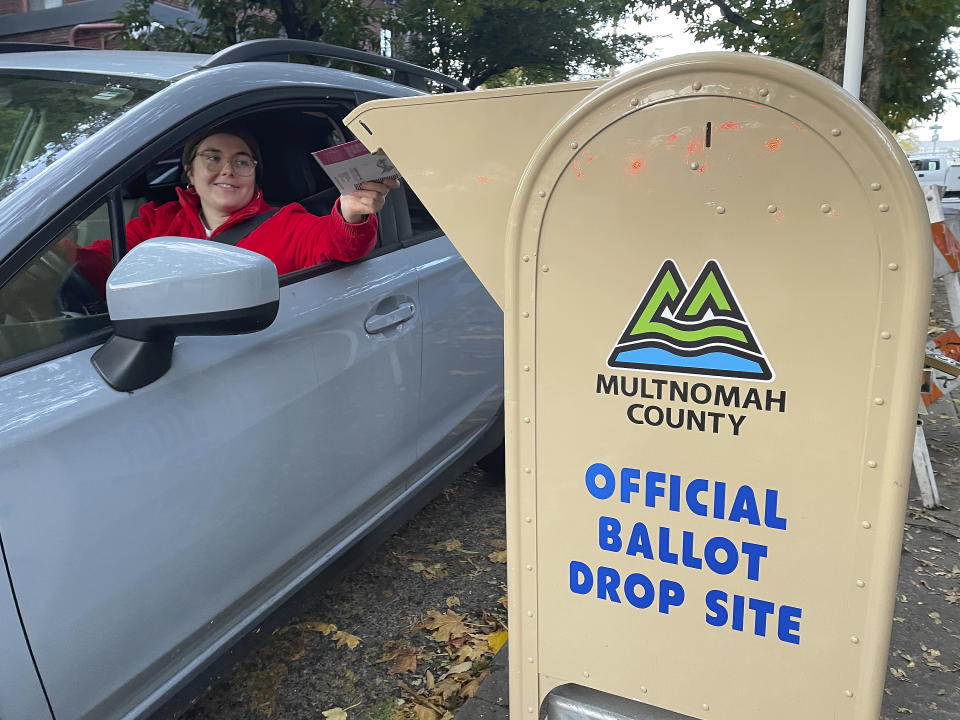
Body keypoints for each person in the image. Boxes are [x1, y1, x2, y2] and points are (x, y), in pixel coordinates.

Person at [70, 122, 398, 296]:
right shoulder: (156, 222)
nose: (227, 170)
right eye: (213, 157)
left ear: (255, 174)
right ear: (189, 171)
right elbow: (96, 265)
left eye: (242, 161)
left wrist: (350, 213)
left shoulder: (285, 222)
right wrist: (55, 254)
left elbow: (339, 243)